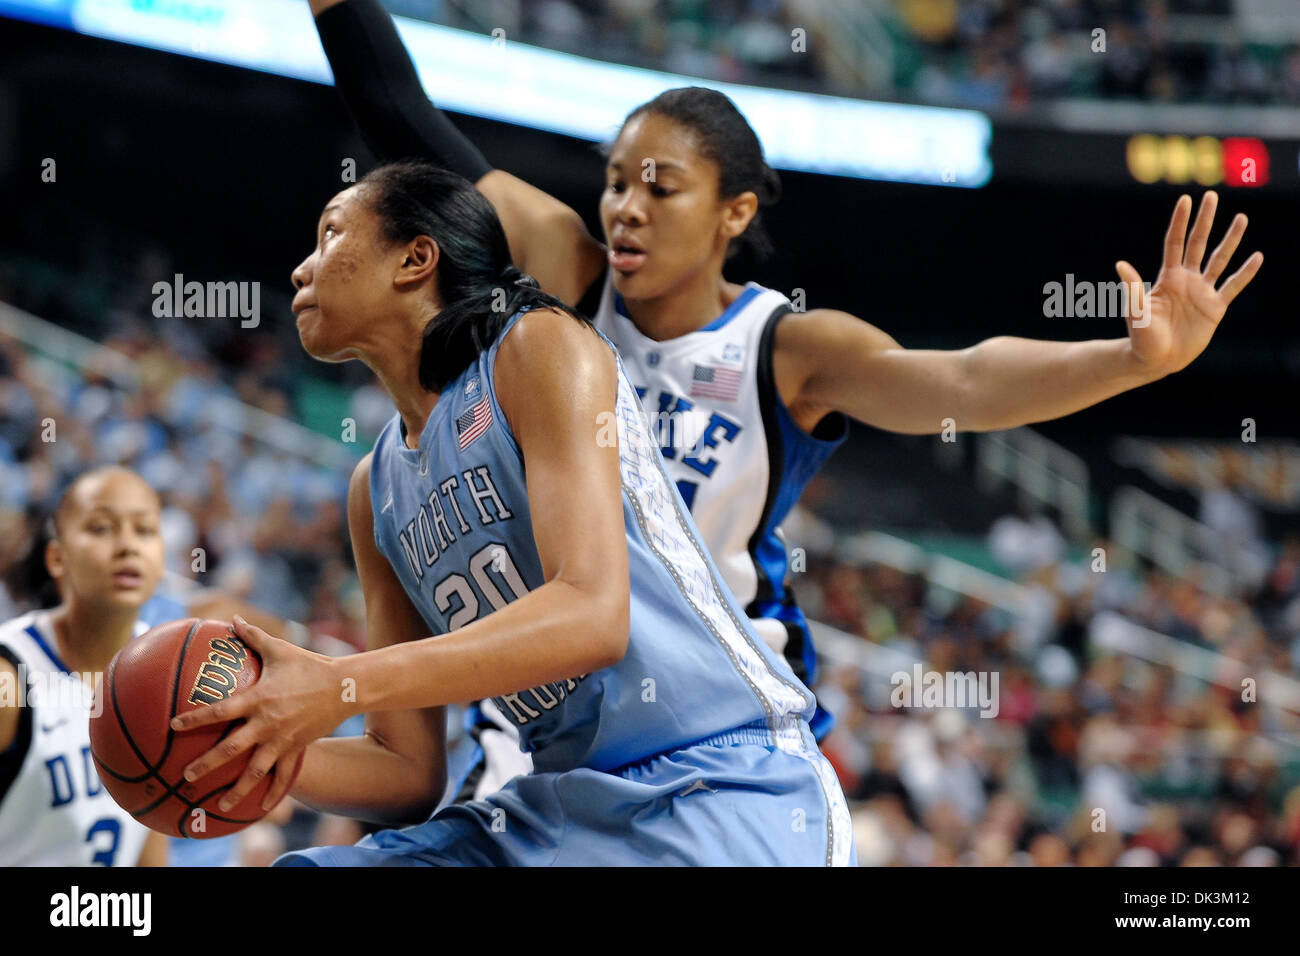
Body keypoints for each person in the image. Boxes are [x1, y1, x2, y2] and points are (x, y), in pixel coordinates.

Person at [303, 0, 1263, 758]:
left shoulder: (783, 347)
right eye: (616, 179)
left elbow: (965, 384)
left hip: (718, 708)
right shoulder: (567, 272)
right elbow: (409, 128)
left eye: (661, 187)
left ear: (734, 212)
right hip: (560, 716)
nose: (625, 208)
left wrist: (1134, 359)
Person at [171, 161, 854, 865]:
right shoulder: (372, 486)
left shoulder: (538, 347)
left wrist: (338, 683)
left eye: (330, 235)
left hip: (721, 781)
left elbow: (592, 617)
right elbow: (405, 772)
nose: (300, 270)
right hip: (560, 806)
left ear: (415, 258)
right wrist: (245, 743)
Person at [0, 467, 169, 865]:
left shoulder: (168, 673)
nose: (127, 545)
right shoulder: (10, 676)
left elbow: (150, 836)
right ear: (58, 558)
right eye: (101, 527)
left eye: (144, 530)